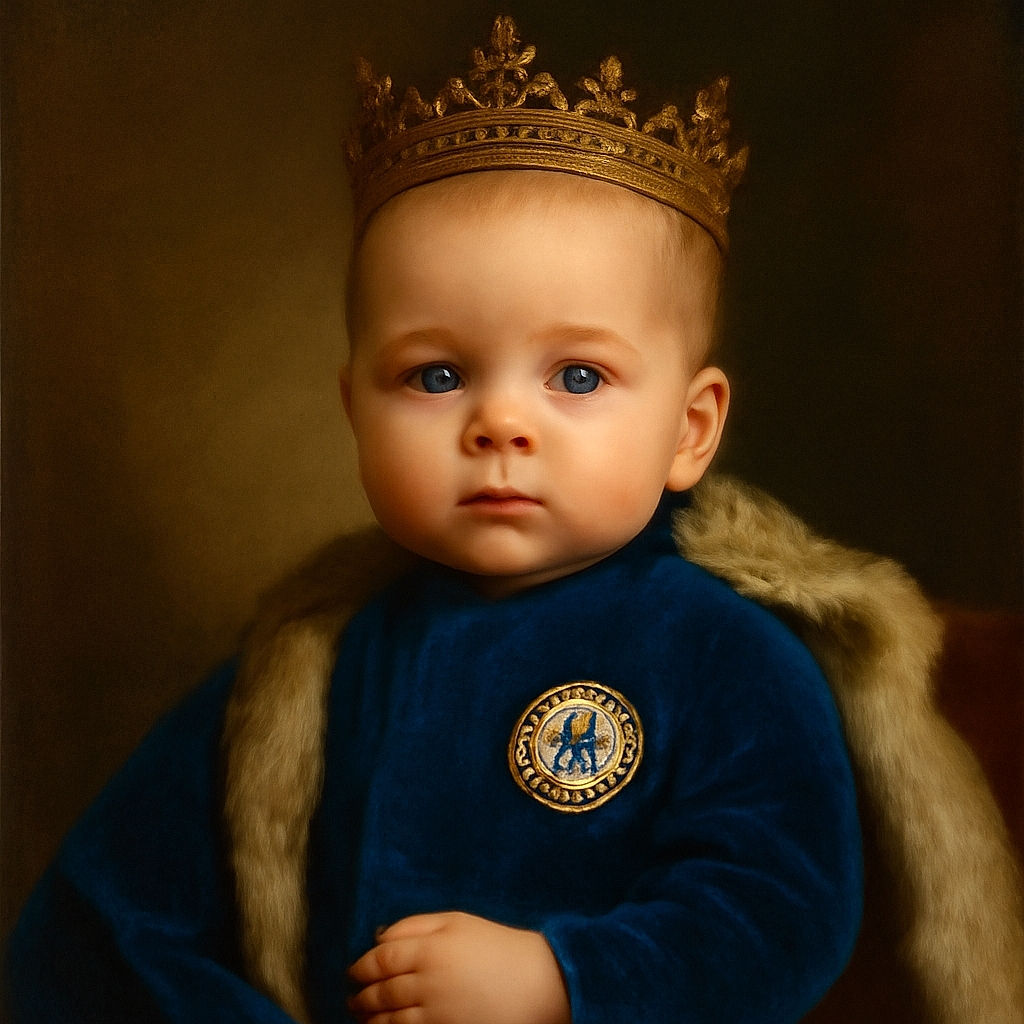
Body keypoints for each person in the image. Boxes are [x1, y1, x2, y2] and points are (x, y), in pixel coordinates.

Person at [23, 13, 1020, 1024]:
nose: (499, 422)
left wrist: (561, 977)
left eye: (577, 375)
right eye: (436, 374)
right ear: (355, 412)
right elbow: (112, 911)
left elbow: (780, 909)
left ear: (689, 428)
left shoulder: (720, 653)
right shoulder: (313, 661)